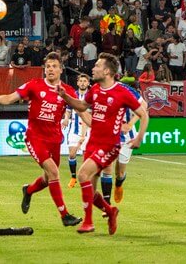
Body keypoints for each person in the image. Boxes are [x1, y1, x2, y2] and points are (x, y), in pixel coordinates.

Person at [0, 52, 82, 226]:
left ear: (61, 70)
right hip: (35, 138)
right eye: (48, 66)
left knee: (48, 178)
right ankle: (65, 215)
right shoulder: (34, 85)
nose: (50, 69)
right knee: (54, 172)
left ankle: (28, 190)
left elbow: (81, 110)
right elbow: (11, 98)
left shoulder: (67, 90)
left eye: (54, 66)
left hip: (54, 139)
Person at [59, 54, 149, 234]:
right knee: (90, 192)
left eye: (97, 66)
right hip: (93, 143)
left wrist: (138, 137)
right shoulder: (95, 90)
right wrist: (66, 97)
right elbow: (83, 106)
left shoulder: (122, 91)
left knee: (83, 175)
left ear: (107, 71)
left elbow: (144, 113)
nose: (93, 68)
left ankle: (88, 222)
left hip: (110, 144)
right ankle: (110, 210)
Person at [101, 83, 142, 204]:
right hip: (109, 135)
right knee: (107, 168)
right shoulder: (99, 89)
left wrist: (130, 124)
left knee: (119, 173)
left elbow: (143, 108)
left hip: (126, 137)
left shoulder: (126, 89)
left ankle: (119, 184)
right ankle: (106, 203)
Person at [63, 73, 92, 187]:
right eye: (81, 81)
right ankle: (73, 177)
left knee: (86, 156)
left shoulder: (90, 97)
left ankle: (85, 178)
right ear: (77, 82)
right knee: (71, 154)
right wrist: (66, 119)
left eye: (85, 81)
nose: (83, 83)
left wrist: (83, 135)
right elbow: (68, 109)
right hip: (74, 130)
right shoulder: (73, 95)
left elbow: (86, 116)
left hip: (87, 130)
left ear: (88, 83)